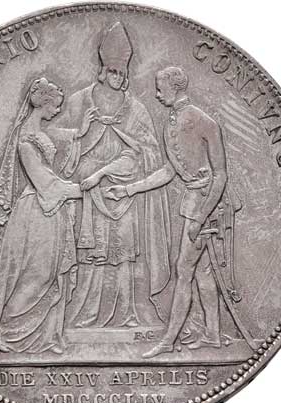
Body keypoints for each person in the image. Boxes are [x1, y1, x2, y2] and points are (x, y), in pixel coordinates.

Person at [107, 66, 239, 357]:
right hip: (193, 203)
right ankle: (213, 336)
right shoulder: (170, 123)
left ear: (175, 87)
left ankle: (168, 340)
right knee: (203, 272)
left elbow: (220, 175)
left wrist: (202, 216)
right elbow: (169, 171)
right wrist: (129, 189)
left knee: (184, 270)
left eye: (160, 88)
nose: (156, 94)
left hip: (207, 206)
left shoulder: (204, 122)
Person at [0, 77, 85, 355]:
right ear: (43, 103)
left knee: (49, 273)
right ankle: (7, 332)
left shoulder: (38, 132)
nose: (58, 110)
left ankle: (46, 336)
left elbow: (56, 150)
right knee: (36, 273)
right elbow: (44, 182)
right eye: (56, 105)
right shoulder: (25, 139)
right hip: (36, 212)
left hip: (50, 212)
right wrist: (84, 189)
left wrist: (81, 132)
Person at [58, 22, 171, 328]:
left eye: (122, 73)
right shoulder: (80, 101)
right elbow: (57, 145)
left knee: (123, 254)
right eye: (112, 72)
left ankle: (128, 312)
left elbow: (149, 153)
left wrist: (116, 169)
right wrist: (79, 134)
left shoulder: (136, 108)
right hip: (87, 191)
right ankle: (83, 312)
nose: (117, 78)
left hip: (123, 192)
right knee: (91, 252)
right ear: (102, 70)